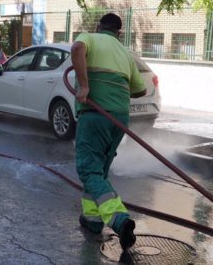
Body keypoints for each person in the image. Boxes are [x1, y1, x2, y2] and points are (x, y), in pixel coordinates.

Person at [71, 13, 146, 251]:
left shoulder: (90, 38)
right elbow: (140, 90)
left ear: (98, 26)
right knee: (99, 170)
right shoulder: (126, 53)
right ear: (119, 33)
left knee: (88, 168)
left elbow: (77, 48)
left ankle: (119, 220)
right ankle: (93, 220)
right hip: (119, 118)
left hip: (95, 115)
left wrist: (85, 86)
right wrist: (118, 91)